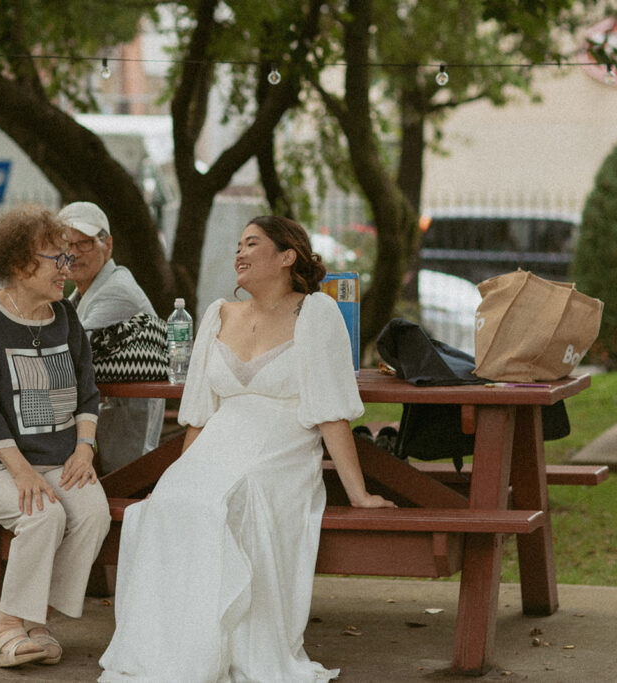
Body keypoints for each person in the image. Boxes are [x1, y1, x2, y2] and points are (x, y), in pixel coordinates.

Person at [99, 215, 395, 682]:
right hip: (217, 446)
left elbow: (332, 413)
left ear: (286, 256)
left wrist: (358, 494)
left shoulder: (317, 314)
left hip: (281, 452)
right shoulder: (218, 314)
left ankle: (240, 644)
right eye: (237, 244)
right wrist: (174, 477)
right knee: (169, 504)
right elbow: (197, 415)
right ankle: (185, 647)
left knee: (241, 497)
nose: (239, 252)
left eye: (251, 244)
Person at [0, 205, 111, 668]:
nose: (69, 268)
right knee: (42, 515)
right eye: (58, 258)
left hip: (59, 460)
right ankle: (7, 628)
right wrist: (21, 472)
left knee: (92, 512)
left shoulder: (65, 316)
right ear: (24, 265)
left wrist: (85, 449)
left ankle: (38, 622)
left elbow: (87, 392)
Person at [59, 201, 165, 474]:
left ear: (108, 246)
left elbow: (67, 358)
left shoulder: (115, 291)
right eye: (66, 245)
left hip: (122, 441)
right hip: (100, 427)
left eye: (84, 243)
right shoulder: (84, 292)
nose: (73, 253)